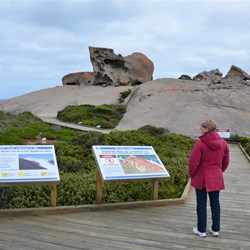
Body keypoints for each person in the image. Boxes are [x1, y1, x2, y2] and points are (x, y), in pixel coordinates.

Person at [188, 120, 230, 238]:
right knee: (215, 203)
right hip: (216, 176)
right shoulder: (223, 143)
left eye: (201, 128)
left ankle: (201, 230)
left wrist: (192, 174)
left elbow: (193, 162)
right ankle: (215, 229)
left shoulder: (201, 143)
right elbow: (226, 161)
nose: (200, 129)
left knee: (201, 204)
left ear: (206, 129)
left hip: (201, 177)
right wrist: (219, 171)